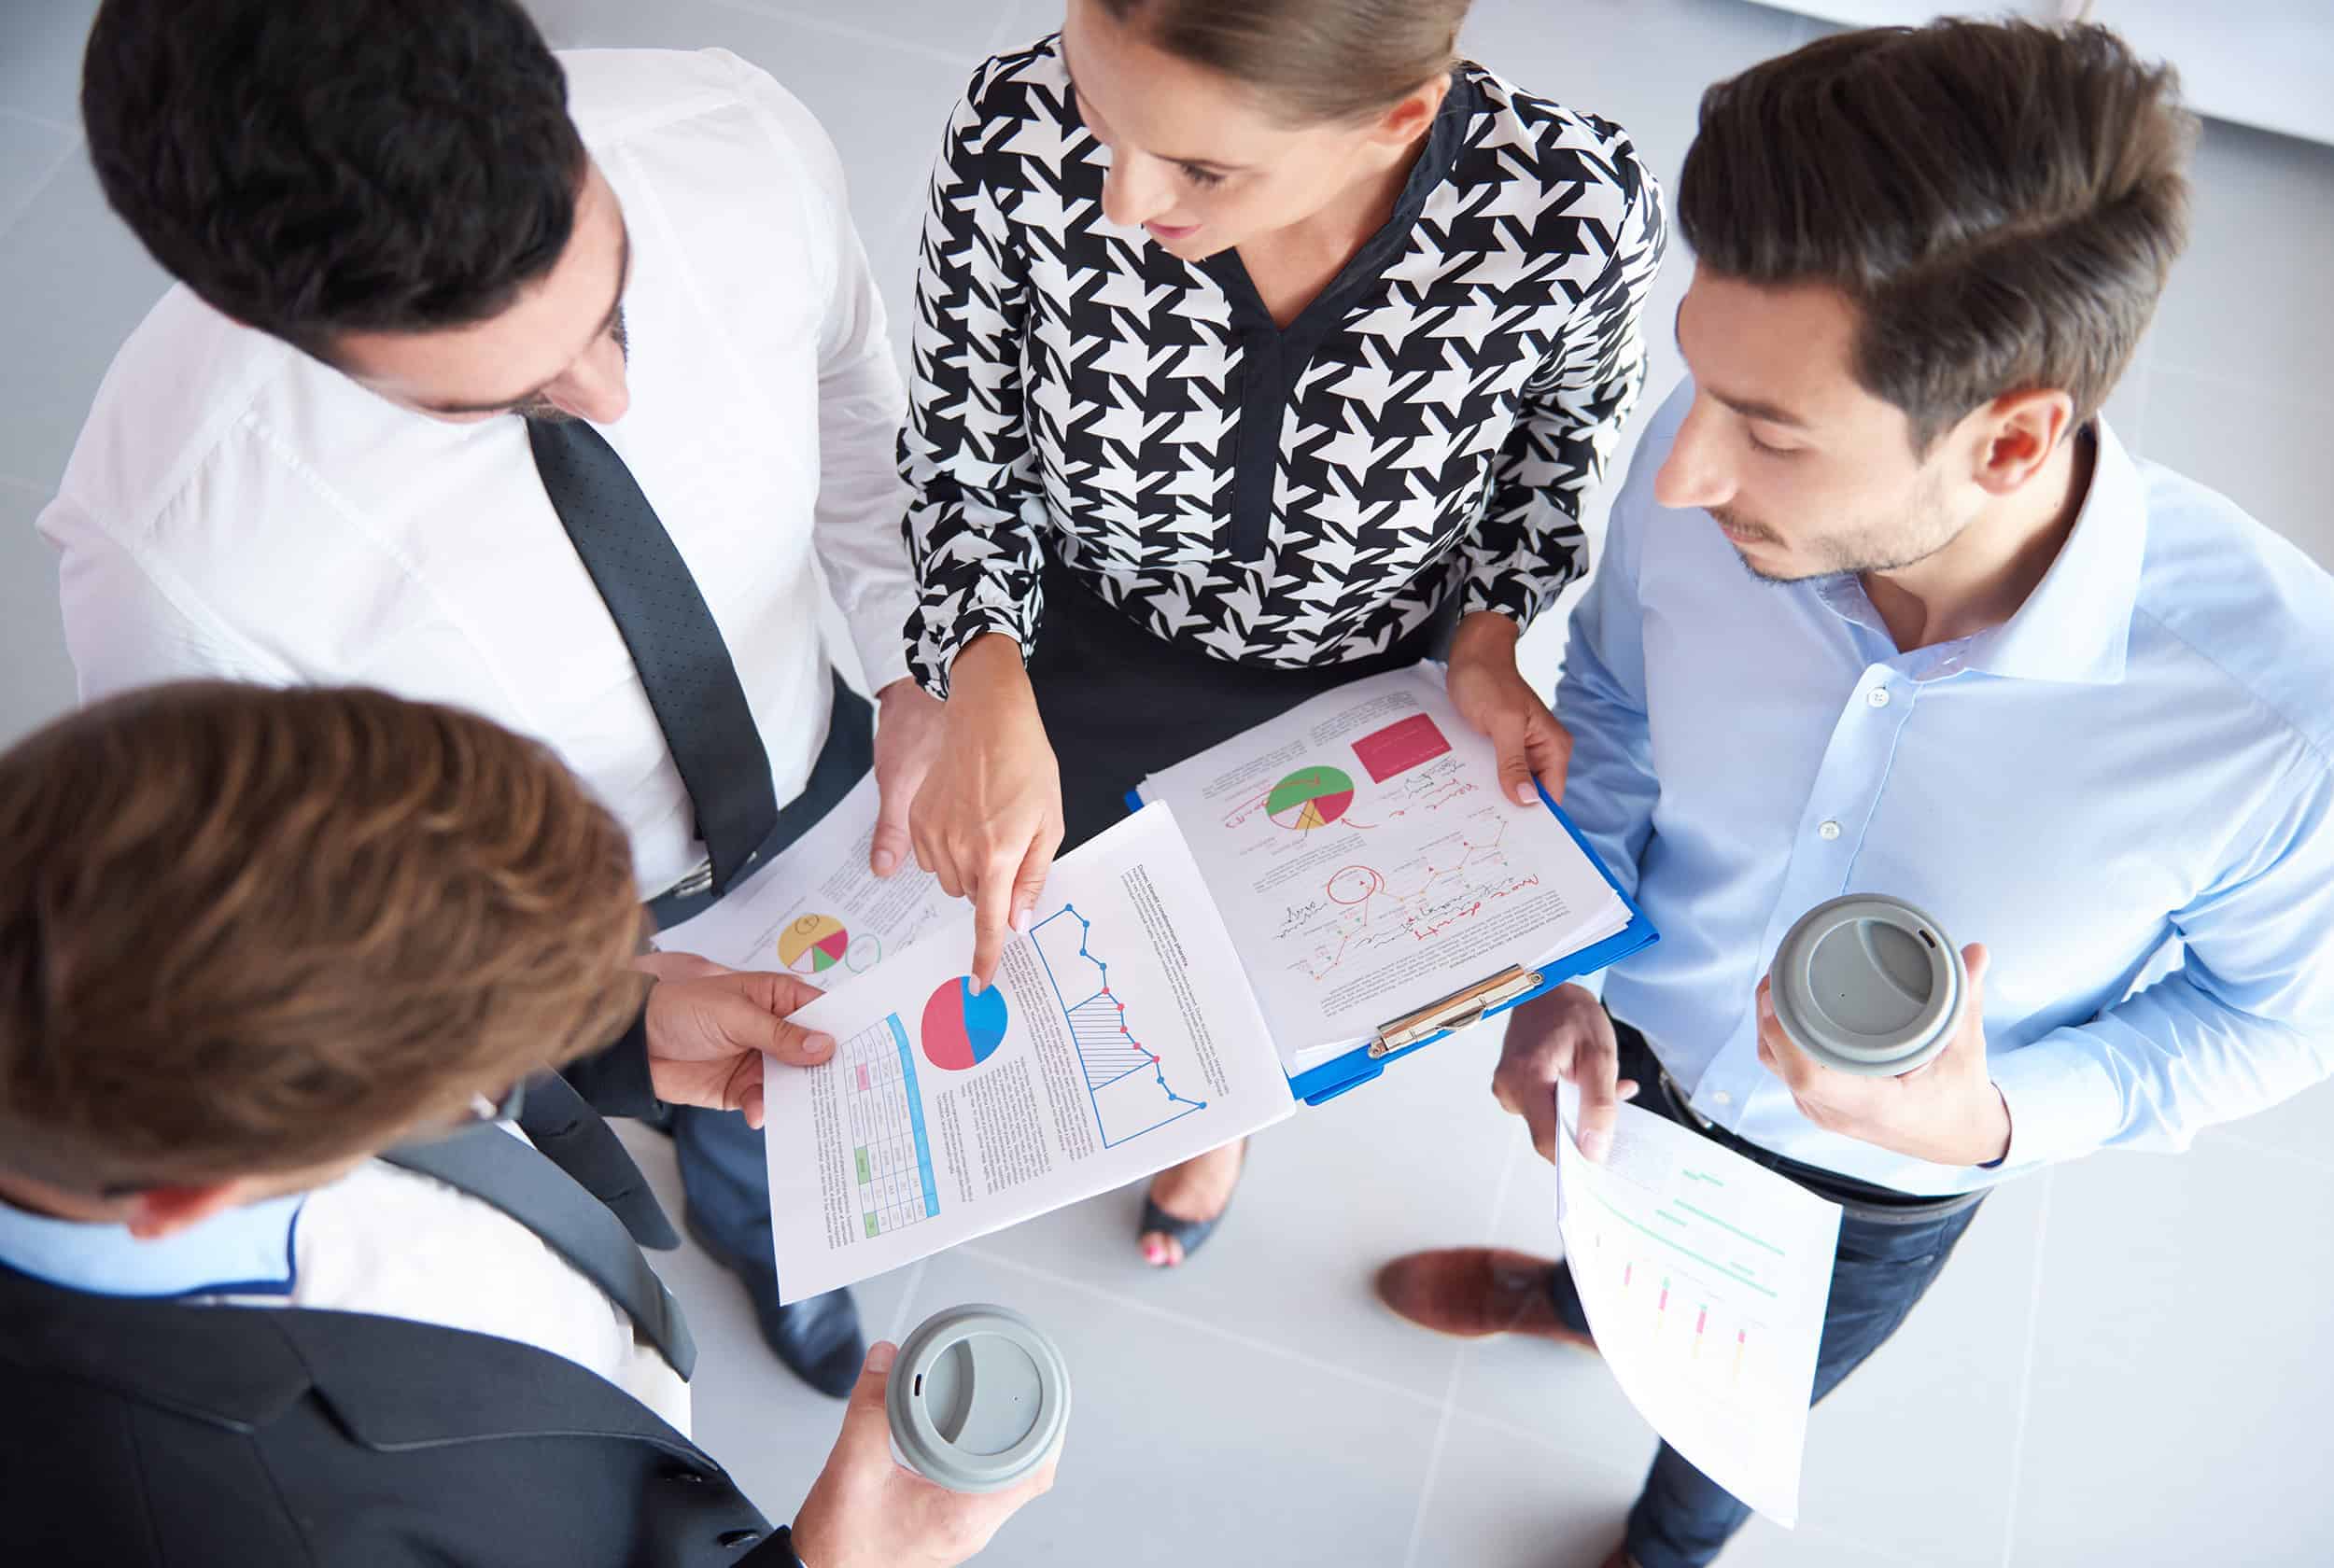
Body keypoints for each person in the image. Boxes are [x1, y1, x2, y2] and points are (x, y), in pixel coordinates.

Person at [1372, 19, 2334, 1568]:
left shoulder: (2282, 725)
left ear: (2011, 435)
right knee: (1613, 1245)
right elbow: (1614, 702)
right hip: (1638, 1050)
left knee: (1743, 1406)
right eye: (1701, 388)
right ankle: (1572, 1299)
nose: (1677, 474)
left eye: (1770, 429)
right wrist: (1568, 965)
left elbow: (2273, 1025)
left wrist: (1994, 1117)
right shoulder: (1707, 493)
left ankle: (1668, 1540)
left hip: (1879, 1193)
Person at [40, 0, 948, 1394]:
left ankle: (788, 1235)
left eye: (616, 302)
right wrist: (598, 1003)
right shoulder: (173, 562)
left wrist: (917, 670)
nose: (611, 397)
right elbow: (303, 924)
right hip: (547, 921)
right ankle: (757, 1237)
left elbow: (853, 407)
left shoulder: (730, 133)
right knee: (717, 1112)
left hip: (816, 736)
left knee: (818, 1095)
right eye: (495, 400)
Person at [901, 0, 1666, 1266]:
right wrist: (979, 680)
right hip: (1081, 651)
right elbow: (957, 440)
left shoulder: (1568, 214)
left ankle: (1222, 1122)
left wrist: (1486, 642)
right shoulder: (1009, 131)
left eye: (1203, 167)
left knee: (1281, 976)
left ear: (1398, 119)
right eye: (1102, 120)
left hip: (1377, 680)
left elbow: (1557, 451)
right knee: (1106, 944)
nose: (1121, 198)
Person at [0, 682, 1059, 1566]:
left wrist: (616, 1031)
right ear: (193, 1193)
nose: (477, 1086)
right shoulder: (223, 1525)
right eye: (451, 1073)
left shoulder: (116, 1012)